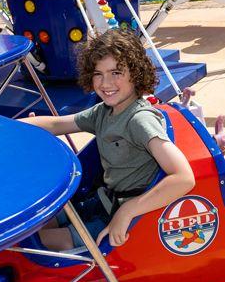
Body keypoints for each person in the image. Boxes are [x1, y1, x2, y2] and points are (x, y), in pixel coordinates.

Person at [27, 29, 195, 250]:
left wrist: (127, 211)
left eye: (116, 72)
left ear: (135, 73)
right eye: (98, 73)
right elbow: (58, 124)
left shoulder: (139, 119)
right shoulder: (104, 111)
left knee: (38, 246)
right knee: (36, 224)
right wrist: (7, 128)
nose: (105, 83)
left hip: (125, 214)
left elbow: (184, 178)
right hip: (103, 202)